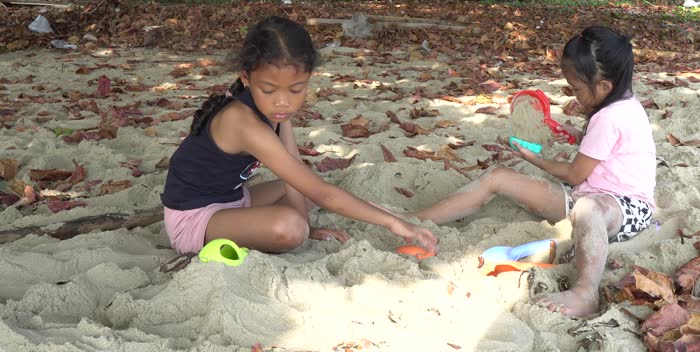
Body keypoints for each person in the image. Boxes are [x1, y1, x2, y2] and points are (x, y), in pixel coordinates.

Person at [414, 26, 655, 317]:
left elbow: (574, 174)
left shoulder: (611, 116)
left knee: (590, 209)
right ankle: (418, 221)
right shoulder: (620, 104)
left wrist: (535, 158)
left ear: (603, 86)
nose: (575, 96)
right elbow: (605, 149)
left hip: (626, 209)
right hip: (583, 199)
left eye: (577, 89)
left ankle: (585, 292)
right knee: (498, 176)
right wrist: (576, 134)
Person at [161, 16, 437, 256]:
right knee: (290, 227)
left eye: (296, 89)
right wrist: (393, 223)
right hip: (194, 219)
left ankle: (294, 227)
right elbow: (325, 195)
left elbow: (294, 166)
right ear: (246, 77)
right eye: (269, 89)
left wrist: (309, 228)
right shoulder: (243, 122)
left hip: (231, 199)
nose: (284, 102)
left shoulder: (273, 109)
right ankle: (287, 229)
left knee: (302, 194)